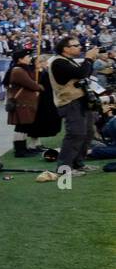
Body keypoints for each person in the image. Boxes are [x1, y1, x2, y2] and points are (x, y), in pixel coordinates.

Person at [48, 35, 99, 175]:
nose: (80, 47)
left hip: (81, 101)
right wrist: (88, 58)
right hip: (70, 102)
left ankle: (78, 163)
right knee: (75, 134)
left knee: (88, 133)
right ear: (65, 48)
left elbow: (85, 73)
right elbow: (81, 73)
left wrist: (89, 60)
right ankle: (64, 168)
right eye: (76, 45)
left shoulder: (67, 60)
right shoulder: (58, 62)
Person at [5, 48, 43, 157]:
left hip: (24, 104)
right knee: (20, 128)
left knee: (23, 128)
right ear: (20, 59)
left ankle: (23, 148)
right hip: (21, 104)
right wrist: (39, 87)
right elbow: (33, 85)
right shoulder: (18, 71)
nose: (30, 59)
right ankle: (20, 150)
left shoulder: (21, 69)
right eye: (27, 57)